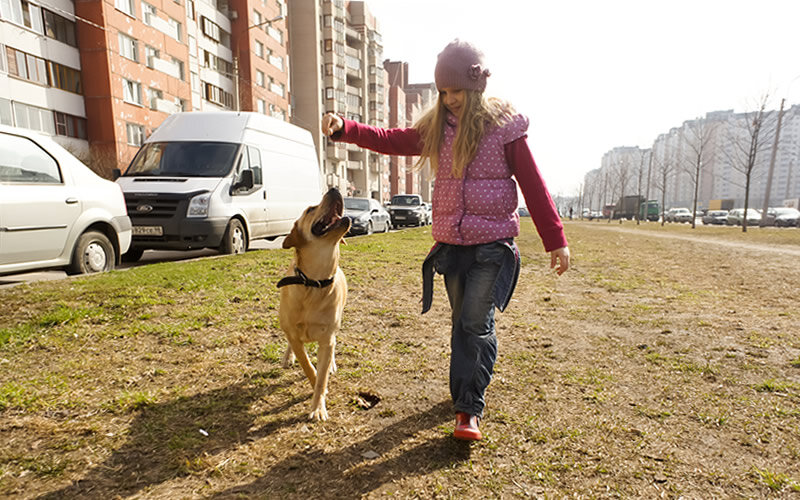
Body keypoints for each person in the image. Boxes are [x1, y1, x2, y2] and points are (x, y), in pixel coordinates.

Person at [321, 39, 569, 441]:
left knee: (473, 321)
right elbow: (390, 139)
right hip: (452, 246)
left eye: (457, 91)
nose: (450, 99)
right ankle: (471, 381)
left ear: (476, 88)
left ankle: (467, 409)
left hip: (494, 244)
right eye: (444, 92)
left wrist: (555, 238)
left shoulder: (505, 129)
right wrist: (346, 129)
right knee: (463, 323)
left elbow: (534, 185)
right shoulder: (437, 130)